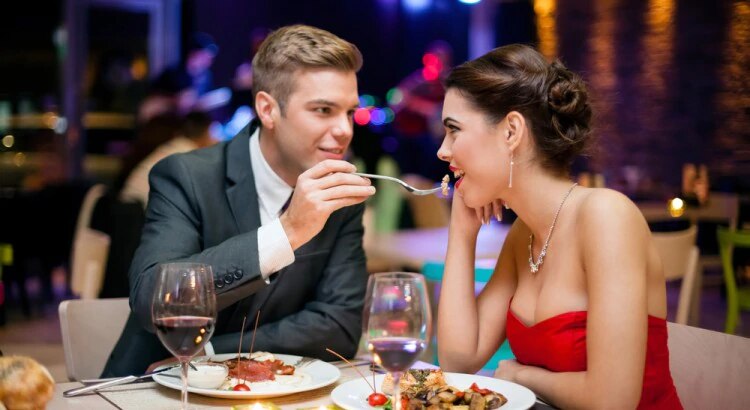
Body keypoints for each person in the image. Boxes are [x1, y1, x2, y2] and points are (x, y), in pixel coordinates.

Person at [101, 24, 373, 377]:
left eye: (349, 112)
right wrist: (287, 232)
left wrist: (214, 352)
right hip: (156, 388)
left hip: (282, 393)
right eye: (323, 110)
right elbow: (155, 299)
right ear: (268, 109)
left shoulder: (341, 196)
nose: (345, 129)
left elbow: (339, 325)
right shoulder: (187, 176)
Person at [435, 44, 682, 409]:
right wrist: (461, 235)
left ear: (511, 131)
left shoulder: (606, 217)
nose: (443, 150)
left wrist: (520, 376)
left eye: (454, 130)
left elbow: (611, 402)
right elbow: (459, 360)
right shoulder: (525, 235)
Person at [119, 110, 216, 207]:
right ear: (205, 133)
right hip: (140, 211)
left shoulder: (178, 146)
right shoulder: (189, 152)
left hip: (129, 208)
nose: (215, 140)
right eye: (212, 134)